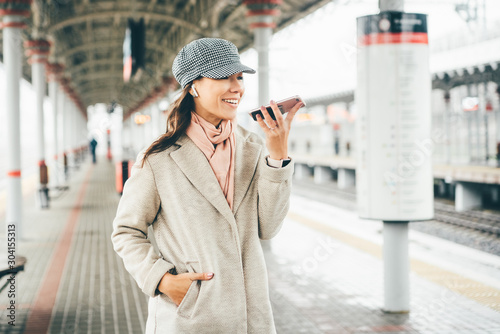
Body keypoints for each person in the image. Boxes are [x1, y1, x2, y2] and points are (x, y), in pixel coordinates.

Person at [111, 38, 302, 333]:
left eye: (238, 77)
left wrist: (277, 155)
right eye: (223, 76)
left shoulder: (253, 148)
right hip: (188, 319)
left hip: (251, 321)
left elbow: (268, 228)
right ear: (193, 86)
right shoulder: (159, 159)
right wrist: (162, 280)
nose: (236, 87)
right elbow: (126, 232)